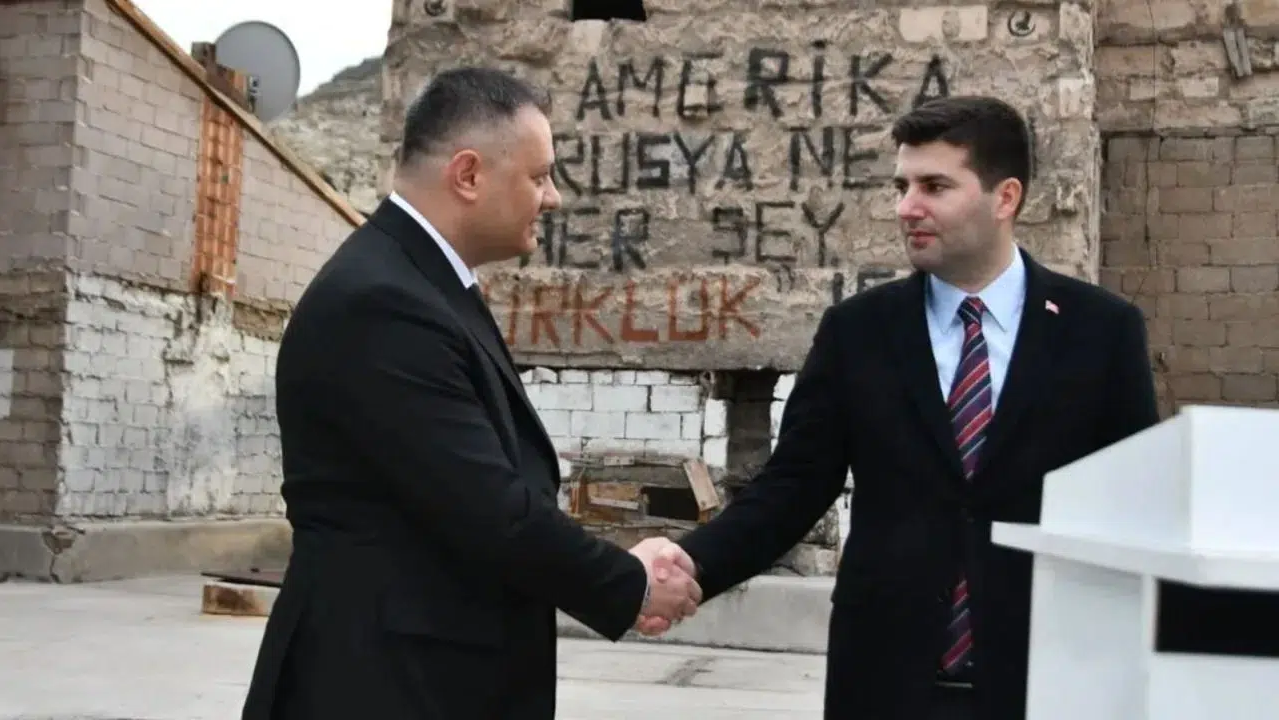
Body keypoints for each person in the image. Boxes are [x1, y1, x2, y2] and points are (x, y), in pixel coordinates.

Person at [642, 96, 1160, 719]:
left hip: (1050, 684)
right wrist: (691, 563)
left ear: (1005, 198)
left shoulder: (1100, 330)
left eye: (934, 186)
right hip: (885, 684)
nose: (906, 207)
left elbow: (1137, 507)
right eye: (901, 186)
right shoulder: (858, 331)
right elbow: (793, 487)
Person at [239, 67, 702, 720]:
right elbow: (488, 510)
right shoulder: (382, 303)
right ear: (468, 175)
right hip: (379, 685)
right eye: (539, 176)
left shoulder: (419, 283)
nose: (553, 198)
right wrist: (630, 583)